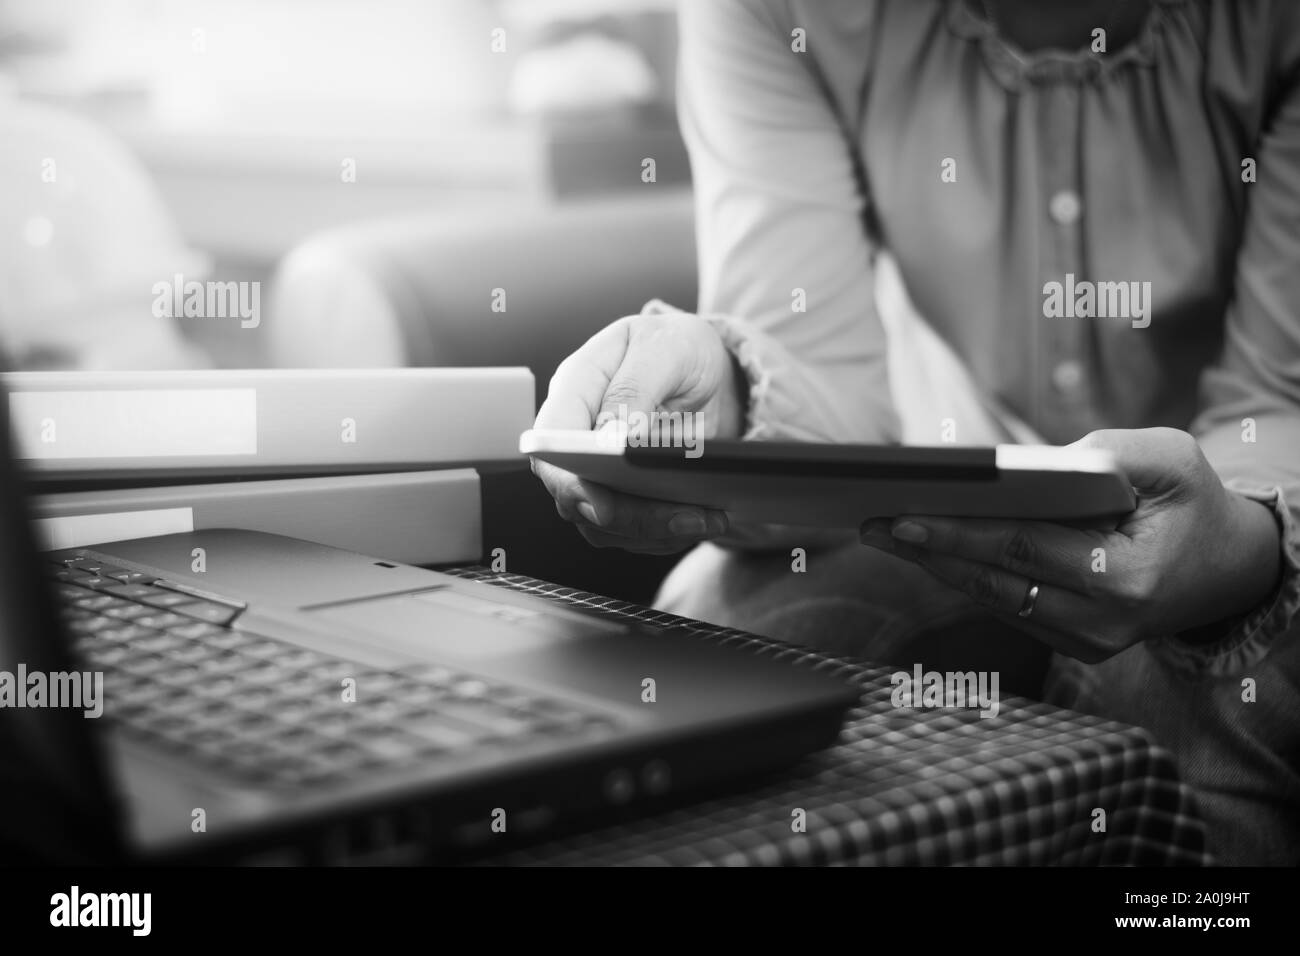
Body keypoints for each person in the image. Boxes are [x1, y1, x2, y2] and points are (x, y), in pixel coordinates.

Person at [528, 0, 1300, 865]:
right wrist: (729, 396)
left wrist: (1243, 550)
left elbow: (1280, 397)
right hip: (966, 487)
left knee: (1204, 709)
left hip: (1252, 511)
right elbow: (817, 362)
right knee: (714, 627)